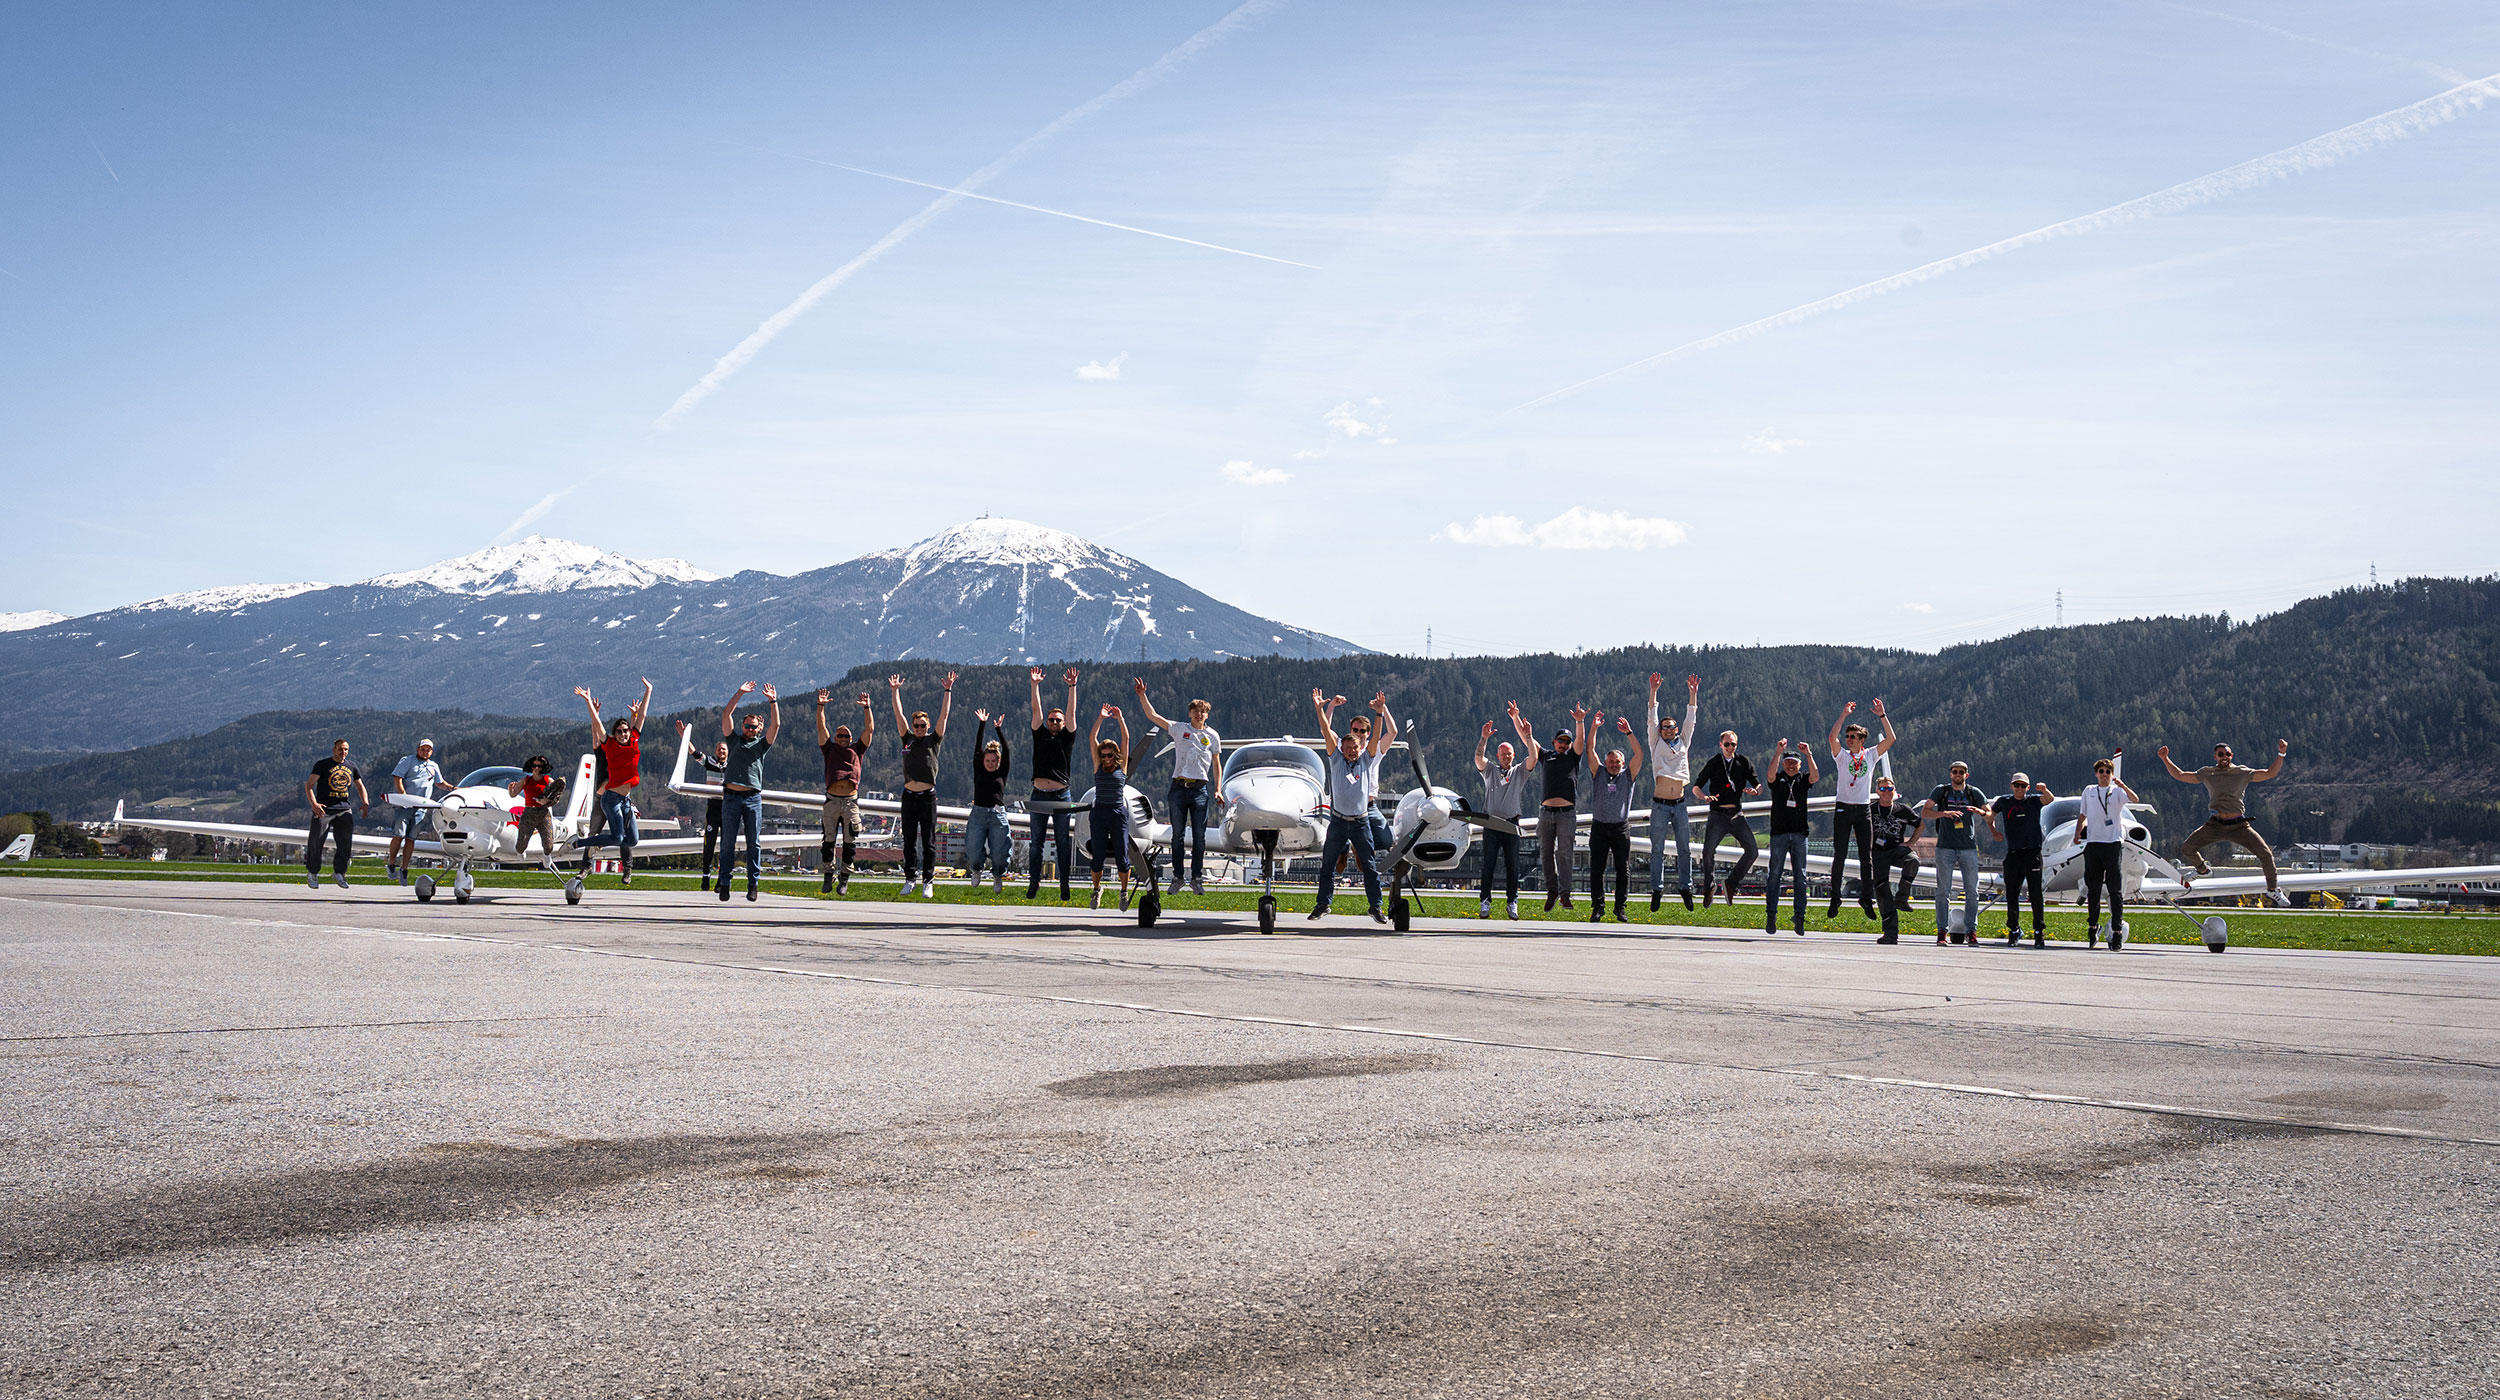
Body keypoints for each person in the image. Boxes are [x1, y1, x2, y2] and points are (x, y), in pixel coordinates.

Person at [2160, 740, 2288, 901]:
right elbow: (2180, 775)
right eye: (2221, 754)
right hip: (2215, 824)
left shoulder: (2242, 772)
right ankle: (2202, 870)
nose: (2224, 757)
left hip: (2239, 825)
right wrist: (2165, 759)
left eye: (2227, 754)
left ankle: (2272, 889)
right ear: (2215, 756)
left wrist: (2281, 753)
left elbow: (2270, 773)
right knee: (2187, 848)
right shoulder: (2207, 773)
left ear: (2231, 755)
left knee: (2266, 854)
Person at [1310, 689, 1395, 924]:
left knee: (1369, 866)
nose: (1350, 751)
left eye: (1354, 748)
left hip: (1361, 821)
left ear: (1361, 747)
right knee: (1327, 865)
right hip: (1337, 821)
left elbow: (1376, 738)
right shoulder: (1335, 758)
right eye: (1347, 748)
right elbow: (1326, 731)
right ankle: (1323, 904)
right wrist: (1320, 708)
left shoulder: (1367, 760)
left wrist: (1379, 714)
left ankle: (1375, 907)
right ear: (1341, 749)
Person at [1133, 680, 1224, 896]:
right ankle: (1178, 877)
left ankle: (1197, 877)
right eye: (1196, 711)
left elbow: (1217, 764)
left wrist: (1218, 788)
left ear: (1207, 715)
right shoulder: (1179, 729)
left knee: (1200, 836)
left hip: (1200, 789)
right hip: (1178, 787)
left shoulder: (1213, 736)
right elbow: (1153, 716)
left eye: (1203, 712)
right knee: (1177, 836)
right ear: (1190, 713)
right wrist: (1142, 695)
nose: (1199, 715)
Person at [573, 678, 653, 883]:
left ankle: (624, 866)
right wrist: (588, 701)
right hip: (609, 799)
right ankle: (580, 845)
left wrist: (648, 691)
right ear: (614, 734)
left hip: (625, 800)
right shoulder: (607, 745)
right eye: (619, 731)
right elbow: (597, 725)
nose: (623, 734)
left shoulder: (634, 739)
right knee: (615, 837)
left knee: (631, 840)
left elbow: (641, 716)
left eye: (625, 730)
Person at [1824, 699, 1897, 919]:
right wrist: (1843, 715)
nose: (1848, 740)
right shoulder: (1842, 756)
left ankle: (1867, 897)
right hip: (1843, 809)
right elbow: (1831, 738)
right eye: (1847, 736)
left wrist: (1882, 715)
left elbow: (1891, 739)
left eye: (1853, 737)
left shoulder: (1871, 754)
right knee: (1840, 855)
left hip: (1864, 809)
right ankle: (1835, 897)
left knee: (1867, 857)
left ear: (1862, 740)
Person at [1519, 700, 1591, 911]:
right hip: (1546, 813)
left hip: (1567, 814)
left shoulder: (1573, 757)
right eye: (1561, 741)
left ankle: (1565, 894)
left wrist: (1580, 721)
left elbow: (1581, 740)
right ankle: (1552, 890)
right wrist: (1518, 721)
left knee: (1565, 854)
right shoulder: (1546, 756)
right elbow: (1527, 740)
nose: (1564, 744)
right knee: (1545, 853)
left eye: (1567, 742)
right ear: (1554, 741)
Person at [888, 671, 954, 898]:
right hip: (908, 796)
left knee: (929, 842)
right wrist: (895, 691)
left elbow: (944, 715)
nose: (919, 728)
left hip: (927, 797)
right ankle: (910, 879)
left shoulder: (933, 740)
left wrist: (947, 690)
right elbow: (899, 714)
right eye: (916, 725)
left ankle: (928, 880)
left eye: (922, 725)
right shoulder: (907, 739)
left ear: (927, 726)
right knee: (908, 841)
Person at [715, 681, 778, 902]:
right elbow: (725, 715)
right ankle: (724, 883)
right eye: (747, 726)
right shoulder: (733, 740)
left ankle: (753, 883)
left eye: (754, 727)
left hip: (752, 798)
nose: (750, 729)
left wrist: (773, 701)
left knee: (754, 843)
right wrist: (739, 693)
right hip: (731, 797)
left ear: (759, 728)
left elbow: (776, 725)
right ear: (743, 727)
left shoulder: (762, 745)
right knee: (727, 842)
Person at [1644, 673, 1701, 911]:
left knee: (1684, 848)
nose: (1667, 730)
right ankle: (1656, 890)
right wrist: (1653, 691)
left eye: (1670, 727)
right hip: (1659, 804)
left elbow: (1691, 718)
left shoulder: (1684, 741)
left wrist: (1693, 692)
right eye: (1664, 727)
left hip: (1679, 803)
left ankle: (1684, 888)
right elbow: (1651, 717)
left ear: (1676, 729)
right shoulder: (1655, 743)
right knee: (1656, 849)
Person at [1026, 667, 1080, 901]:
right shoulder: (1040, 733)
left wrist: (1072, 687)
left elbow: (1072, 710)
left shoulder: (1067, 736)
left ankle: (1064, 885)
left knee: (1062, 843)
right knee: (1035, 842)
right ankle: (1034, 882)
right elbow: (1036, 709)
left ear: (1064, 722)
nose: (1055, 722)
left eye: (1058, 720)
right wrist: (1034, 685)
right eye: (1052, 720)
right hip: (1038, 794)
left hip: (1060, 796)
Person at [1585, 714, 1645, 923]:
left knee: (1623, 869)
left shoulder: (1629, 775)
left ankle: (1620, 908)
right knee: (1597, 870)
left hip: (1620, 827)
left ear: (1622, 763)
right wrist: (1593, 727)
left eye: (1616, 761)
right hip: (1599, 827)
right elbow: (1589, 750)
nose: (1613, 764)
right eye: (1610, 761)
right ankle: (1597, 908)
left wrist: (1628, 732)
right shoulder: (1598, 772)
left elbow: (1639, 753)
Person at [1692, 731, 1760, 907]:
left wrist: (1756, 791)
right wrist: (1704, 797)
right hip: (1717, 815)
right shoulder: (1714, 762)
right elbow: (1696, 787)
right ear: (1720, 745)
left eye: (1733, 745)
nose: (1730, 747)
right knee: (1708, 852)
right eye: (1727, 744)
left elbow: (1757, 784)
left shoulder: (1743, 762)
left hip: (1736, 815)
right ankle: (1709, 887)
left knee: (1752, 851)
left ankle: (1731, 883)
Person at [1987, 772, 2055, 947]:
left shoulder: (2033, 800)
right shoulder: (2004, 801)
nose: (2019, 789)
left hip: (2032, 853)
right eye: (2016, 785)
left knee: (2035, 894)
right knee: (2011, 894)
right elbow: (1990, 815)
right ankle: (2014, 929)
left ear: (2028, 788)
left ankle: (2039, 931)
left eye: (2023, 786)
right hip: (2013, 853)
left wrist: (2045, 789)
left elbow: (2050, 799)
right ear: (2011, 786)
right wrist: (1993, 831)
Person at [1922, 760, 1987, 945]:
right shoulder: (1941, 791)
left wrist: (1979, 812)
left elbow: (1989, 812)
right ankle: (1942, 931)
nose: (1958, 774)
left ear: (1967, 774)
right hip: (1945, 847)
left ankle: (1971, 931)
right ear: (1950, 774)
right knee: (1943, 890)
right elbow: (1926, 812)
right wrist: (1944, 814)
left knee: (1972, 891)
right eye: (1955, 771)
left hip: (1968, 847)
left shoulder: (1974, 792)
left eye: (1961, 771)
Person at [815, 690, 873, 895]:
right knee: (828, 840)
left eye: (846, 736)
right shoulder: (828, 749)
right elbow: (821, 727)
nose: (842, 738)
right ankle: (828, 876)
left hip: (850, 802)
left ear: (851, 738)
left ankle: (845, 878)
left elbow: (870, 729)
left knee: (850, 841)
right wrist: (820, 706)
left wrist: (867, 707)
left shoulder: (858, 749)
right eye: (839, 735)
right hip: (831, 801)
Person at [2078, 757, 2139, 948]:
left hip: (2112, 844)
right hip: (2093, 844)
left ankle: (2117, 930)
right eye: (2101, 772)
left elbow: (2135, 799)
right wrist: (2077, 833)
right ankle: (2092, 927)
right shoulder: (2089, 791)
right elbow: (2083, 814)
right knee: (2093, 890)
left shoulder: (2118, 792)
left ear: (2112, 775)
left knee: (2115, 891)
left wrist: (2123, 785)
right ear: (2096, 774)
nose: (2104, 775)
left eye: (2108, 772)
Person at [1761, 739, 1819, 935]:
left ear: (1799, 764)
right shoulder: (1777, 779)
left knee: (1800, 877)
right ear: (1783, 764)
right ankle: (1771, 915)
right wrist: (1778, 752)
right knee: (1774, 875)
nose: (1791, 765)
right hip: (1779, 833)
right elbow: (1769, 775)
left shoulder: (1803, 779)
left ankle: (1799, 916)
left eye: (1794, 762)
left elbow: (1816, 777)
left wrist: (1808, 754)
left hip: (1800, 834)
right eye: (1788, 762)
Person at [1473, 720, 1527, 919]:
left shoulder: (1519, 772)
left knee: (1513, 865)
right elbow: (1478, 758)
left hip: (1511, 823)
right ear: (1497, 756)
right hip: (1491, 823)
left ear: (1514, 756)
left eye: (1509, 754)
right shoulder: (1491, 771)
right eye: (1503, 754)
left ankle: (1512, 901)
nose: (1506, 757)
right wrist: (1484, 738)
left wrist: (1526, 734)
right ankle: (1485, 901)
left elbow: (1534, 758)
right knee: (1488, 864)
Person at [1085, 704, 1134, 911]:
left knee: (1123, 857)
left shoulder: (1121, 768)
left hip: (1117, 813)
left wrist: (1120, 719)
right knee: (1097, 857)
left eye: (1109, 755)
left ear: (1115, 755)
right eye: (1103, 755)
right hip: (1099, 813)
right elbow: (1091, 738)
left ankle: (1123, 892)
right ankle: (1097, 889)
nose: (1106, 758)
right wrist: (1101, 717)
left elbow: (1126, 739)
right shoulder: (1098, 767)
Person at [301, 739, 367, 890]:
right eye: (340, 749)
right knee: (316, 841)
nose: (343, 752)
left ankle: (339, 872)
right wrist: (314, 804)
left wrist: (365, 802)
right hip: (324, 808)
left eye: (346, 750)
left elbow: (360, 785)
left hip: (343, 808)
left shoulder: (351, 766)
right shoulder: (322, 765)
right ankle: (312, 872)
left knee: (345, 843)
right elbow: (309, 785)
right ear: (334, 749)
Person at [672, 723, 731, 891]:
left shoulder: (733, 765)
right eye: (719, 749)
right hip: (712, 807)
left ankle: (722, 878)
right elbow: (693, 752)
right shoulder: (710, 762)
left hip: (728, 808)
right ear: (715, 751)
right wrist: (685, 737)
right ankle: (706, 875)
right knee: (709, 842)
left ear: (728, 753)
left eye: (724, 750)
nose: (721, 752)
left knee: (727, 844)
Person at [1866, 776, 1924, 944]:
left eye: (1889, 789)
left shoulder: (1902, 810)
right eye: (1882, 789)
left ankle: (1902, 896)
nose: (1886, 792)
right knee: (1882, 892)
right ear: (1877, 791)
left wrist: (1911, 842)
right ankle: (1890, 933)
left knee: (1913, 861)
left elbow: (1920, 824)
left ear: (1894, 791)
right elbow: (1859, 828)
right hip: (1877, 852)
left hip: (1896, 848)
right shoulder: (1870, 810)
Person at [966, 709, 1015, 893]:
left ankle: (998, 874)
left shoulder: (1002, 772)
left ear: (998, 761)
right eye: (987, 760)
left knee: (1000, 852)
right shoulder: (979, 768)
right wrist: (982, 724)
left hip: (997, 815)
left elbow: (1007, 750)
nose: (990, 763)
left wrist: (999, 729)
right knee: (972, 849)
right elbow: (977, 748)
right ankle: (976, 869)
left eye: (994, 760)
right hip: (978, 813)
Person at [385, 738, 442, 885]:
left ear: (431, 752)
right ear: (418, 749)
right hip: (404, 806)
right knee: (399, 834)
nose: (425, 752)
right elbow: (397, 778)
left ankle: (404, 869)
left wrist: (453, 788)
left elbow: (439, 782)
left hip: (421, 808)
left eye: (428, 750)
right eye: (423, 749)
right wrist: (403, 796)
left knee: (411, 839)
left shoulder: (433, 766)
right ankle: (391, 864)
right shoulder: (407, 760)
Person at [506, 754, 563, 871]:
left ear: (544, 767)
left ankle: (547, 855)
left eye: (539, 766)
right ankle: (521, 852)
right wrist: (510, 789)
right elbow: (513, 795)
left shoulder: (548, 781)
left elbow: (556, 798)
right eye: (534, 766)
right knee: (521, 843)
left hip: (543, 813)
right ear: (530, 767)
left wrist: (547, 801)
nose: (536, 768)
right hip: (528, 812)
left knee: (548, 842)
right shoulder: (525, 780)